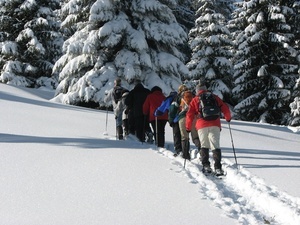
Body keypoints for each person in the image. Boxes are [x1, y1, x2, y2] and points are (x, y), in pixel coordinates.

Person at [185, 79, 231, 176]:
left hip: (201, 125)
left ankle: (206, 166)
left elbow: (189, 115)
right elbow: (225, 107)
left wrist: (188, 128)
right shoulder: (214, 97)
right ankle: (218, 167)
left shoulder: (195, 100)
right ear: (206, 89)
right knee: (215, 145)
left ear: (197, 91)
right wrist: (228, 118)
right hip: (215, 123)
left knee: (204, 145)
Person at [173, 85, 201, 160]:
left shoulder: (179, 97)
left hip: (183, 117)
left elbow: (173, 108)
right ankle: (201, 151)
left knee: (184, 137)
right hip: (193, 117)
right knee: (195, 137)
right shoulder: (193, 96)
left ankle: (186, 156)